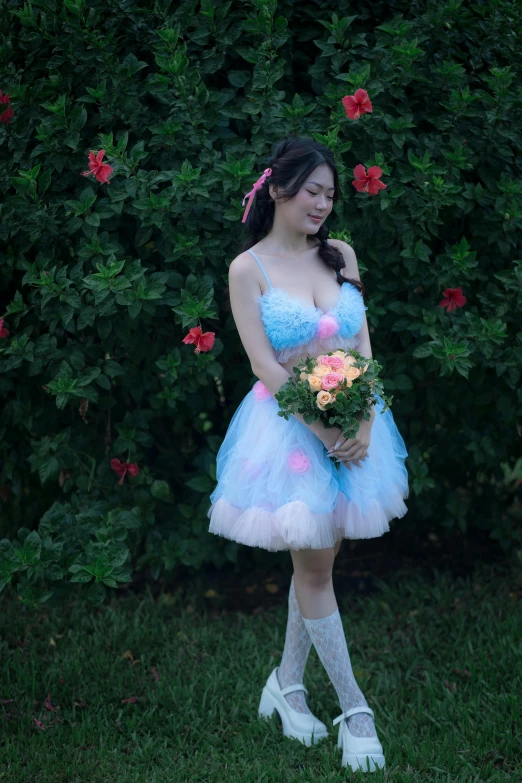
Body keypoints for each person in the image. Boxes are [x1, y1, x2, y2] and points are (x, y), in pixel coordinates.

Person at [206, 137, 409, 773]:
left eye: (330, 193)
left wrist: (367, 421)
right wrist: (323, 433)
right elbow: (265, 365)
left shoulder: (340, 254)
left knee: (315, 562)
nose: (323, 203)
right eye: (312, 191)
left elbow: (362, 341)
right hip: (292, 434)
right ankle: (356, 710)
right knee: (316, 567)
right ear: (277, 190)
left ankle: (286, 686)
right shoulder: (250, 268)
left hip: (357, 424)